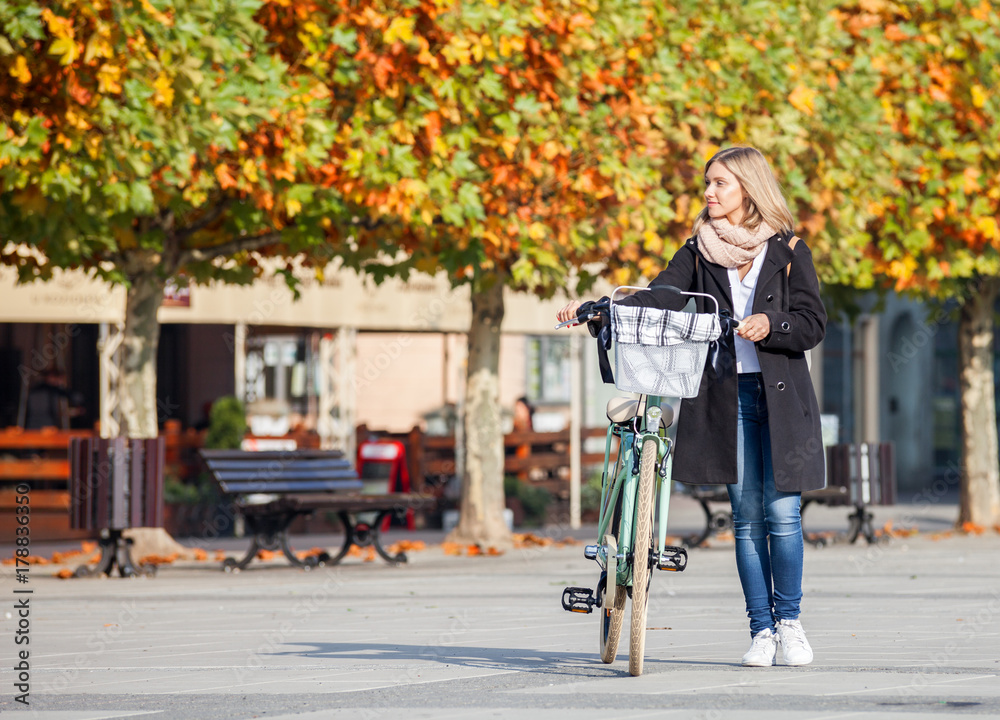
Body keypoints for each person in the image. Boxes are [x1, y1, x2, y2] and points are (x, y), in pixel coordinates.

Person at [557, 146, 826, 667]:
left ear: (748, 187)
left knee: (782, 513)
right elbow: (659, 296)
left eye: (719, 183)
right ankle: (761, 631)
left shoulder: (789, 251)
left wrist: (774, 326)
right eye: (707, 183)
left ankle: (790, 623)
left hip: (783, 402)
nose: (708, 192)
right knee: (746, 519)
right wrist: (601, 306)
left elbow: (813, 323)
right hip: (728, 399)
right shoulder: (698, 250)